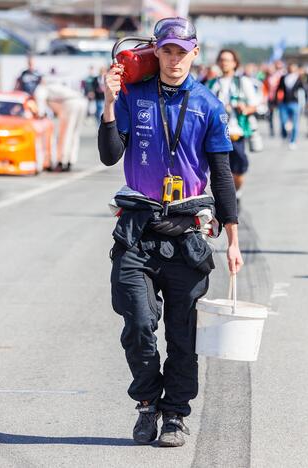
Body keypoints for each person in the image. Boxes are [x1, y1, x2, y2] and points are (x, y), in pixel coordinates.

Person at [98, 17, 243, 448]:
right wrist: (109, 101)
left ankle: (175, 415)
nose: (175, 59)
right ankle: (146, 403)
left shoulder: (209, 105)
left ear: (195, 53)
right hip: (137, 229)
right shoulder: (132, 96)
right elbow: (109, 156)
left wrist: (233, 240)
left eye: (182, 51)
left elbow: (222, 176)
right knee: (139, 323)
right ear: (155, 52)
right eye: (167, 50)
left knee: (183, 334)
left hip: (186, 232)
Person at [206, 49, 259, 197]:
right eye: (222, 60)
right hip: (216, 134)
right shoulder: (211, 84)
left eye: (228, 60)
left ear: (235, 63)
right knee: (221, 171)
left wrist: (244, 108)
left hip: (236, 133)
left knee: (239, 170)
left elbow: (254, 105)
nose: (224, 63)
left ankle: (237, 193)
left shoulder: (243, 82)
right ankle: (225, 200)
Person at [275, 62, 308, 150]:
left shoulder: (299, 78)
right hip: (284, 103)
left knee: (295, 123)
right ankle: (285, 135)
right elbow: (278, 89)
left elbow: (306, 90)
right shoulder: (283, 78)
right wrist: (275, 101)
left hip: (295, 103)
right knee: (283, 122)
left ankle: (293, 141)